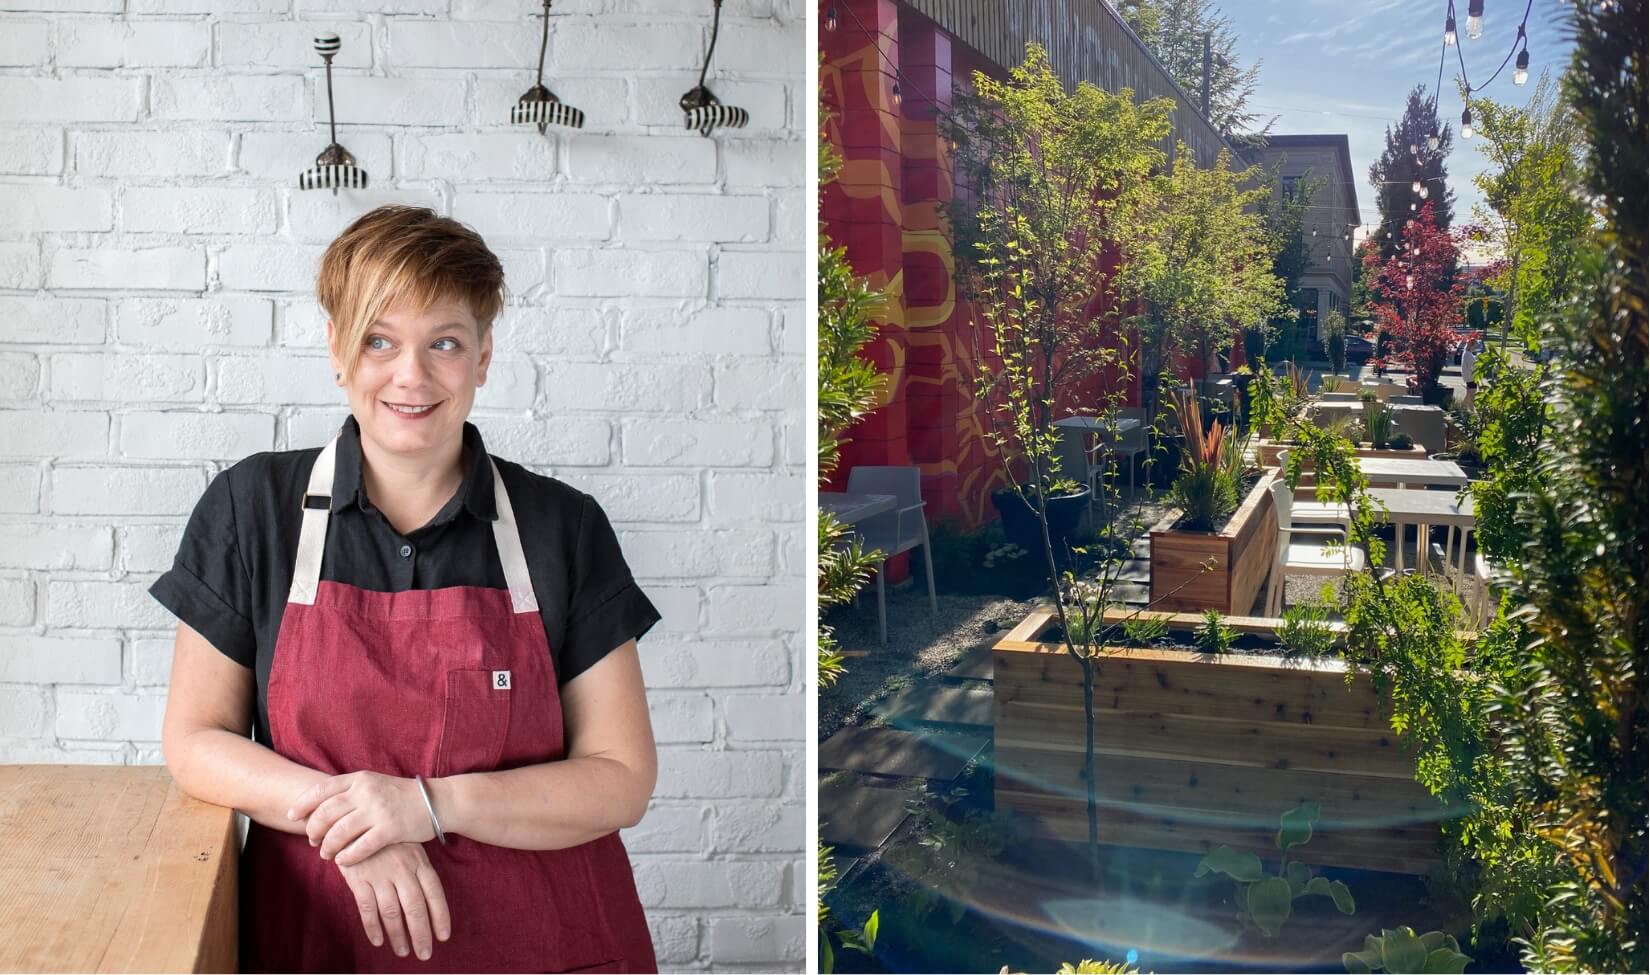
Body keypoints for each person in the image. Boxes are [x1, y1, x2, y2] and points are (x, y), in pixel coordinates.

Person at [153, 205, 661, 973]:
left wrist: (425, 806)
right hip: (321, 940)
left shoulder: (562, 527)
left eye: (445, 343)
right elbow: (195, 741)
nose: (411, 375)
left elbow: (621, 777)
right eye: (379, 339)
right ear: (337, 348)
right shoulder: (253, 508)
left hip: (541, 943)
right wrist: (355, 825)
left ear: (484, 355)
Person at [1460, 335, 1479, 408]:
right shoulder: (1468, 354)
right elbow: (1472, 366)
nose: (1475, 348)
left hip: (1468, 377)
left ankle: (1463, 408)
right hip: (1471, 377)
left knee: (1469, 394)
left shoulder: (1467, 353)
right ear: (1471, 346)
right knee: (1472, 394)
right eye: (1475, 346)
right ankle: (1471, 409)